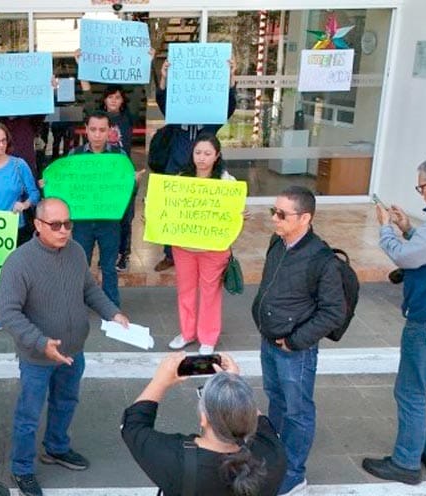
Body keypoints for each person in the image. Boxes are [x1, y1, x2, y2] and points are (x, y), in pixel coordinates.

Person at [0, 197, 129, 496]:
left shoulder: (77, 252)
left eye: (68, 224)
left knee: (66, 402)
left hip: (73, 351)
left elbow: (89, 290)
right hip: (37, 357)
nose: (64, 231)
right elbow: (7, 313)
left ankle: (56, 448)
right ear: (38, 225)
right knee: (28, 415)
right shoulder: (19, 262)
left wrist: (113, 312)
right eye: (55, 225)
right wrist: (41, 343)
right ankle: (22, 468)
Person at [252, 185, 345, 495]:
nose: (274, 219)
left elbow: (333, 312)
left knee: (298, 411)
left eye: (281, 214)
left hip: (295, 350)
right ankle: (275, 457)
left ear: (305, 218)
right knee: (276, 401)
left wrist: (294, 341)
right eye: (273, 211)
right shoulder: (277, 243)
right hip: (270, 340)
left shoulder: (321, 259)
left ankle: (293, 475)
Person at [362, 154, 426, 485]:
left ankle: (406, 463)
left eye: (422, 187)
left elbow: (408, 257)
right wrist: (408, 228)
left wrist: (386, 230)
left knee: (411, 391)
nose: (420, 193)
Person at [121, 352, 286, 496]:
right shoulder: (273, 457)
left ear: (204, 418)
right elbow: (258, 419)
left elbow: (132, 426)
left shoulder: (175, 462)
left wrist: (160, 381)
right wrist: (233, 386)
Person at [153, 57, 237, 273]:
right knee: (173, 212)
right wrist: (164, 77)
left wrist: (230, 78)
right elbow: (163, 100)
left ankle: (206, 248)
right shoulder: (175, 116)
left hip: (205, 172)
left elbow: (229, 105)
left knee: (204, 211)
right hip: (176, 169)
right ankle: (170, 254)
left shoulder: (212, 119)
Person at [167, 134, 238, 355]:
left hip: (214, 248)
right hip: (184, 247)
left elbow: (233, 214)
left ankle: (208, 336)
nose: (202, 158)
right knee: (185, 290)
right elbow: (169, 209)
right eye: (198, 153)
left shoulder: (227, 183)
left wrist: (239, 214)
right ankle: (187, 332)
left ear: (217, 156)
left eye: (208, 153)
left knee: (210, 292)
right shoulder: (180, 179)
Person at [0, 121, 40, 332]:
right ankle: (1, 314)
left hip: (18, 227)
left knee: (21, 273)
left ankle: (24, 312)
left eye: (4, 140)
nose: (1, 145)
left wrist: (23, 204)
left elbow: (34, 193)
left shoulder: (18, 164)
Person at [65, 110, 130, 307]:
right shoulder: (74, 155)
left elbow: (125, 189)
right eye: (93, 129)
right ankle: (78, 302)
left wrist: (132, 182)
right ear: (86, 130)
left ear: (109, 131)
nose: (97, 134)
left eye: (102, 130)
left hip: (109, 221)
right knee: (80, 264)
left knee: (109, 266)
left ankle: (111, 305)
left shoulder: (119, 155)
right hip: (82, 221)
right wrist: (50, 184)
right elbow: (67, 185)